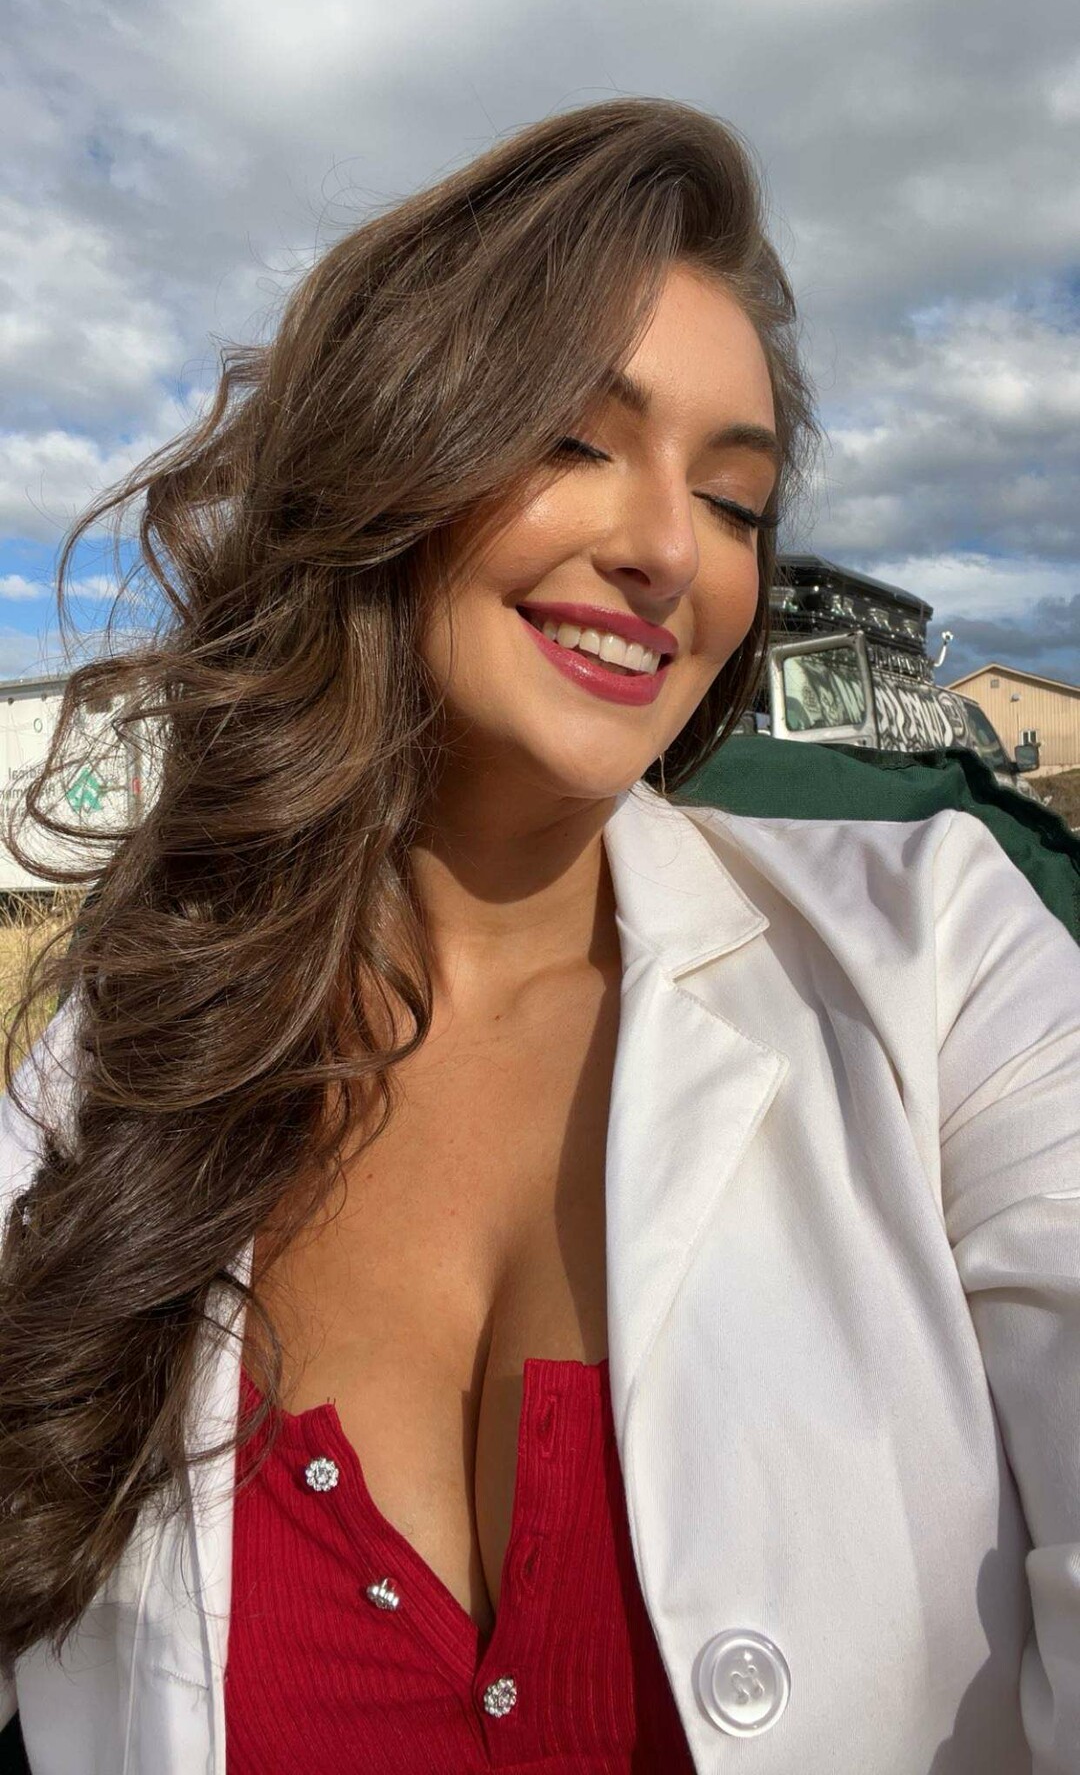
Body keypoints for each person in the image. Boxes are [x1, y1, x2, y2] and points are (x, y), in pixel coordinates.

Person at [0, 98, 1078, 1775]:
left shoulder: (942, 962)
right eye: (576, 441)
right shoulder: (106, 1069)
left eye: (735, 500)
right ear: (390, 452)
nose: (669, 552)